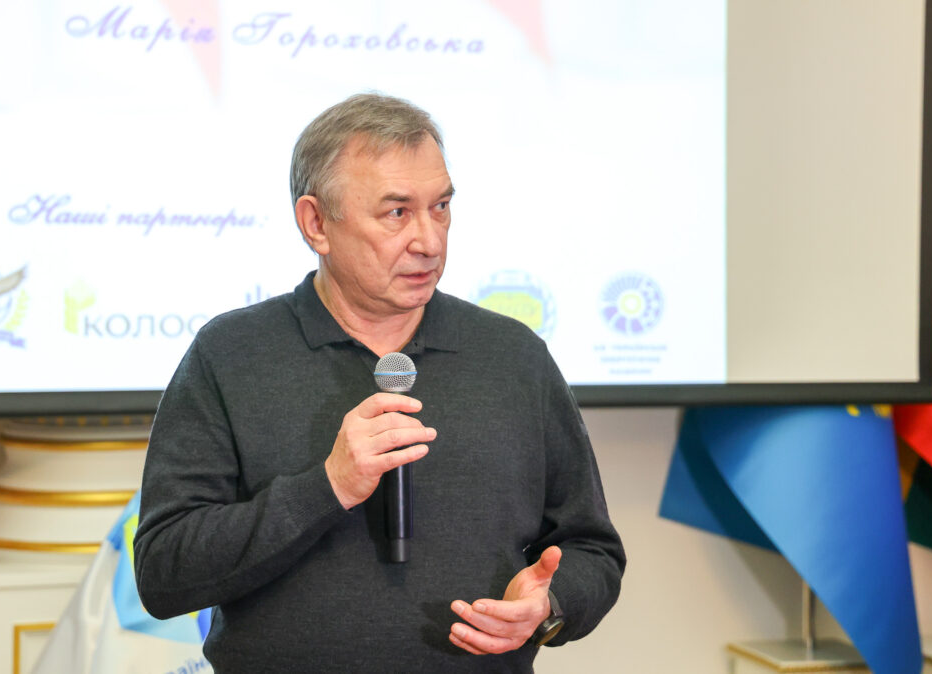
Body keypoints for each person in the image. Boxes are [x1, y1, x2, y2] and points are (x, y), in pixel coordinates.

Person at [134, 93, 625, 673]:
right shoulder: (231, 354)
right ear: (316, 223)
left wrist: (551, 605)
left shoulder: (514, 356)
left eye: (440, 207)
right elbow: (163, 574)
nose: (430, 240)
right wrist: (328, 487)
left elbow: (593, 548)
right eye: (397, 213)